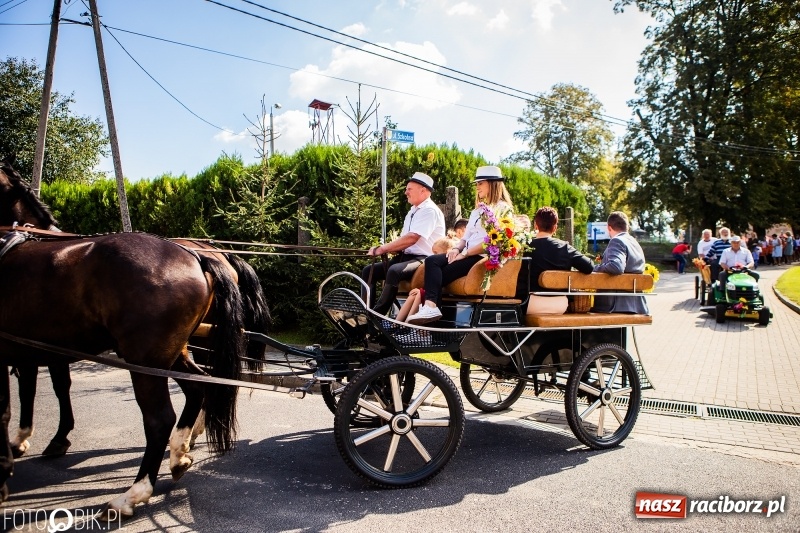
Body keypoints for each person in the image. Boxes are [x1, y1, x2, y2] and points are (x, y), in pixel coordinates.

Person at [406, 165, 513, 324]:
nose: (477, 187)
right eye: (477, 184)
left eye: (480, 183)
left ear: (492, 184)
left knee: (439, 275)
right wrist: (456, 249)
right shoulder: (477, 211)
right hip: (466, 253)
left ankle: (432, 319)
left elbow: (495, 242)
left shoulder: (503, 209)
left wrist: (466, 253)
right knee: (432, 261)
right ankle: (430, 308)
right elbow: (466, 237)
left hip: (480, 257)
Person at [360, 172, 446, 314]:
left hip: (424, 260)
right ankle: (364, 311)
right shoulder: (413, 211)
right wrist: (393, 249)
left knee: (394, 271)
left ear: (423, 190)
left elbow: (412, 238)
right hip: (407, 257)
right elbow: (405, 240)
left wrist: (382, 249)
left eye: (409, 189)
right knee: (369, 270)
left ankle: (376, 316)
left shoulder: (429, 210)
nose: (406, 192)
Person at [523, 206, 594, 315]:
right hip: (559, 304)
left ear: (535, 225)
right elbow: (589, 267)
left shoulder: (525, 247)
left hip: (529, 304)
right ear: (555, 228)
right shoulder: (565, 247)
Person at [591, 211, 649, 315]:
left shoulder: (617, 241)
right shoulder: (634, 242)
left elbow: (616, 267)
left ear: (609, 228)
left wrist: (594, 268)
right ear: (627, 227)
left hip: (614, 305)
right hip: (636, 304)